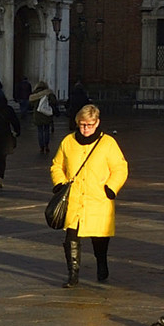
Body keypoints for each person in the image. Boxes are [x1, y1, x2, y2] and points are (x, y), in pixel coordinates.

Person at [50, 101, 128, 286]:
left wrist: (111, 187)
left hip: (99, 199)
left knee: (99, 238)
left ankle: (101, 261)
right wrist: (60, 183)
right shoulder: (68, 142)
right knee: (71, 237)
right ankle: (73, 274)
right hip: (74, 199)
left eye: (90, 125)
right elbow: (56, 165)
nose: (86, 128)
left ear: (97, 123)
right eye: (83, 124)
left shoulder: (108, 143)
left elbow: (120, 167)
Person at [32, 82, 60, 156]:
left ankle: (41, 146)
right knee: (47, 130)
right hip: (47, 114)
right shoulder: (49, 93)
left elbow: (31, 104)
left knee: (40, 131)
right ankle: (46, 145)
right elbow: (54, 102)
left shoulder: (34, 94)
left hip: (38, 114)